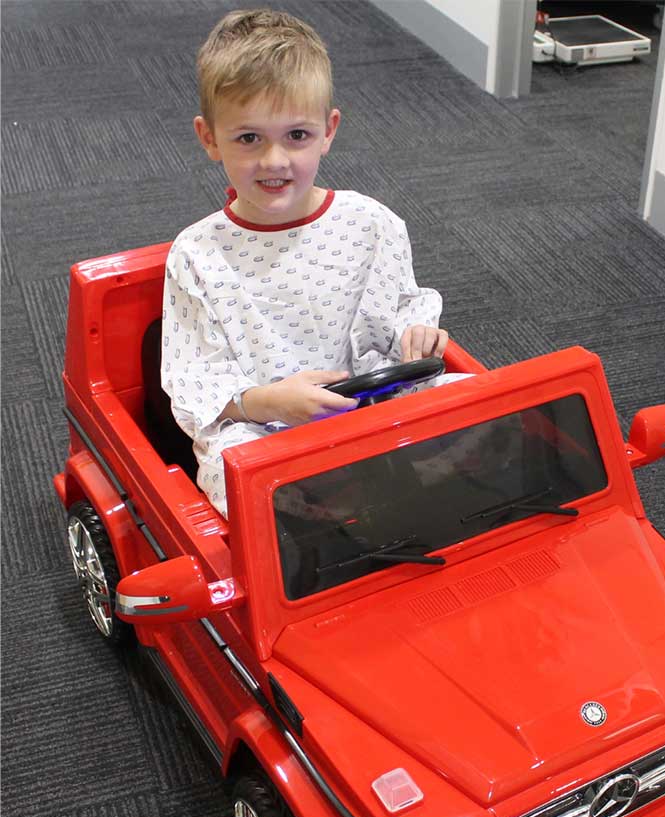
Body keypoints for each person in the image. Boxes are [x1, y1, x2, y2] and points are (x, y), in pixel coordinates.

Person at [161, 8, 454, 517]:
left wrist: (418, 332)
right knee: (238, 473)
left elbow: (403, 308)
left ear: (328, 130)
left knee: (487, 409)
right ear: (210, 138)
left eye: (296, 135)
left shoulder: (371, 223)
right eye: (249, 138)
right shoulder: (196, 255)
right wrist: (270, 402)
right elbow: (195, 383)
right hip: (266, 430)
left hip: (373, 407)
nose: (275, 160)